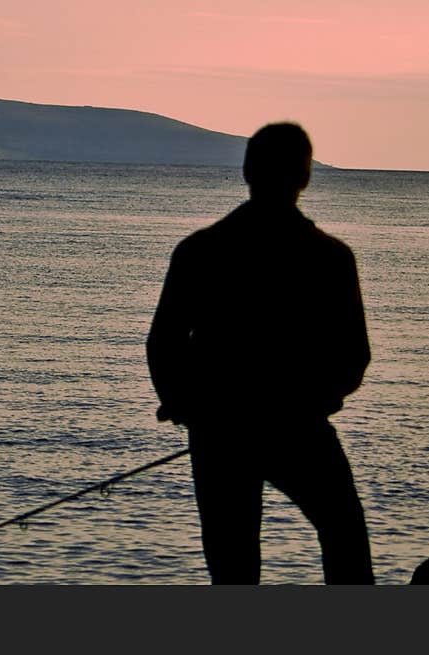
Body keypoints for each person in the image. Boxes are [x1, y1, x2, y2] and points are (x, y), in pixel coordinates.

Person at [146, 122, 374, 584]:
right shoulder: (329, 256)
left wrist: (181, 401)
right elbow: (353, 354)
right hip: (297, 425)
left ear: (248, 170)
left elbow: (163, 342)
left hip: (219, 429)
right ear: (305, 176)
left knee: (232, 562)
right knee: (344, 532)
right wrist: (318, 399)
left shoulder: (200, 250)